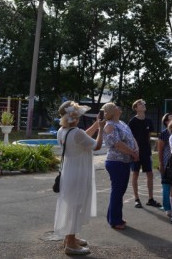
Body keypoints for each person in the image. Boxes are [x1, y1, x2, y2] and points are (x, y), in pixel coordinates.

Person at [54, 101, 104, 255]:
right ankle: (70, 244)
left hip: (69, 172)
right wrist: (101, 129)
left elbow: (83, 137)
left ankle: (70, 238)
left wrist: (96, 124)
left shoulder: (62, 131)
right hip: (79, 174)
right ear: (74, 117)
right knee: (75, 207)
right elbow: (96, 145)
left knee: (72, 206)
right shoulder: (76, 133)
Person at [102, 102, 139, 230]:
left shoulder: (122, 123)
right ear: (112, 110)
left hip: (125, 161)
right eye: (116, 106)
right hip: (115, 162)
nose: (119, 107)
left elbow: (132, 138)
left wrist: (136, 149)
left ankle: (113, 216)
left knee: (120, 191)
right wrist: (132, 153)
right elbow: (117, 144)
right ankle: (115, 220)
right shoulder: (110, 126)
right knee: (117, 191)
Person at [128, 99, 161, 209]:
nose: (143, 105)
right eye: (140, 104)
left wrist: (150, 148)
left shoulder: (148, 121)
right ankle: (137, 199)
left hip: (146, 151)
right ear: (136, 108)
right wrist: (133, 151)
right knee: (135, 174)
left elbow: (148, 136)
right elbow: (129, 138)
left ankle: (150, 199)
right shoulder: (132, 121)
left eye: (143, 104)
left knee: (150, 173)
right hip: (135, 151)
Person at [157, 113, 172, 217]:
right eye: (171, 117)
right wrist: (161, 164)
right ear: (166, 122)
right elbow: (160, 151)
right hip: (166, 163)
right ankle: (167, 207)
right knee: (166, 186)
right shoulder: (164, 133)